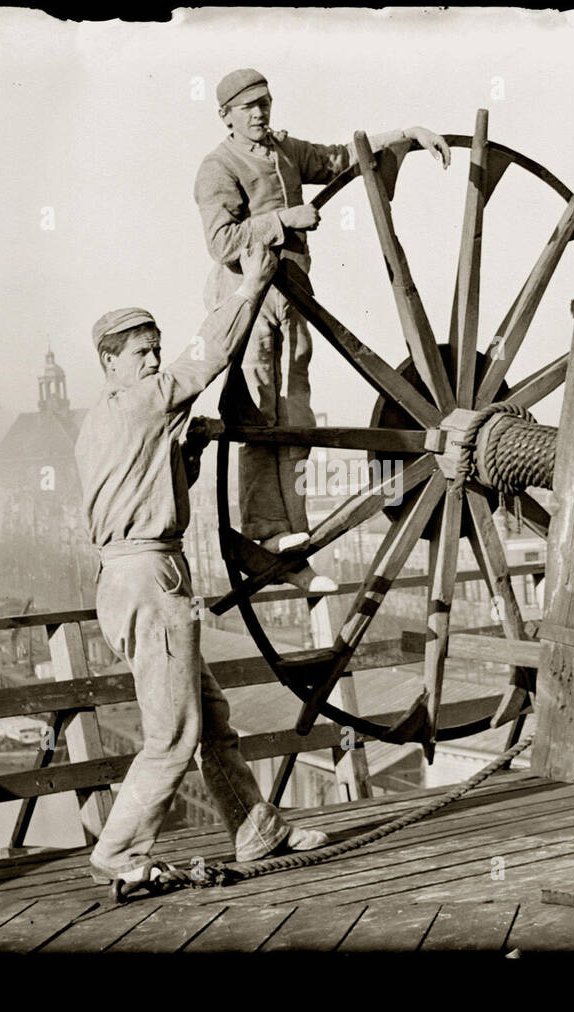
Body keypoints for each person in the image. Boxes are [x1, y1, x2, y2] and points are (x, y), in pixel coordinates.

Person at [76, 243, 328, 897]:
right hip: (147, 578)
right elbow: (207, 359)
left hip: (144, 574)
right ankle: (119, 849)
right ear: (110, 363)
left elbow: (152, 479)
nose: (156, 359)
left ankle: (254, 828)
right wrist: (248, 291)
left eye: (157, 348)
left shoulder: (104, 421)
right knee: (175, 729)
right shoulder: (141, 403)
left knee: (210, 713)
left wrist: (186, 450)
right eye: (141, 352)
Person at [194, 67, 450, 560]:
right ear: (225, 116)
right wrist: (282, 220)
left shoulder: (283, 151)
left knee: (295, 415)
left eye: (264, 102)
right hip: (248, 298)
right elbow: (221, 242)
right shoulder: (217, 167)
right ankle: (265, 526)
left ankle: (293, 526)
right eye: (247, 107)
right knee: (260, 413)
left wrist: (408, 135)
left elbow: (339, 158)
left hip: (293, 296)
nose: (259, 112)